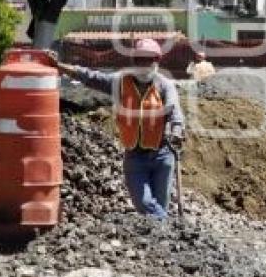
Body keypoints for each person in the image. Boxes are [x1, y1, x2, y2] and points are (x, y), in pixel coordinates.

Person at [50, 39, 185, 219]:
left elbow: (174, 109)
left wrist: (177, 130)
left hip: (162, 155)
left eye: (148, 60)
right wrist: (61, 67)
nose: (144, 64)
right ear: (133, 61)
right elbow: (91, 77)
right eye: (140, 60)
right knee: (144, 204)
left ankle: (162, 243)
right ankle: (173, 228)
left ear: (157, 61)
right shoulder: (121, 83)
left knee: (160, 206)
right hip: (135, 156)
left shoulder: (164, 85)